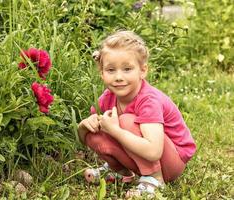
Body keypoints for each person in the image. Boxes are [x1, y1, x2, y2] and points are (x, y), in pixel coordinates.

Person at [77, 30, 196, 198]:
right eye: (111, 70)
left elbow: (154, 151)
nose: (118, 77)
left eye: (127, 69)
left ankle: (154, 179)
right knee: (95, 131)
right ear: (102, 73)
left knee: (125, 121)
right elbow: (86, 138)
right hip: (144, 154)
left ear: (143, 70)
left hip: (171, 161)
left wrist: (115, 131)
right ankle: (121, 172)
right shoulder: (107, 98)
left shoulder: (148, 100)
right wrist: (83, 126)